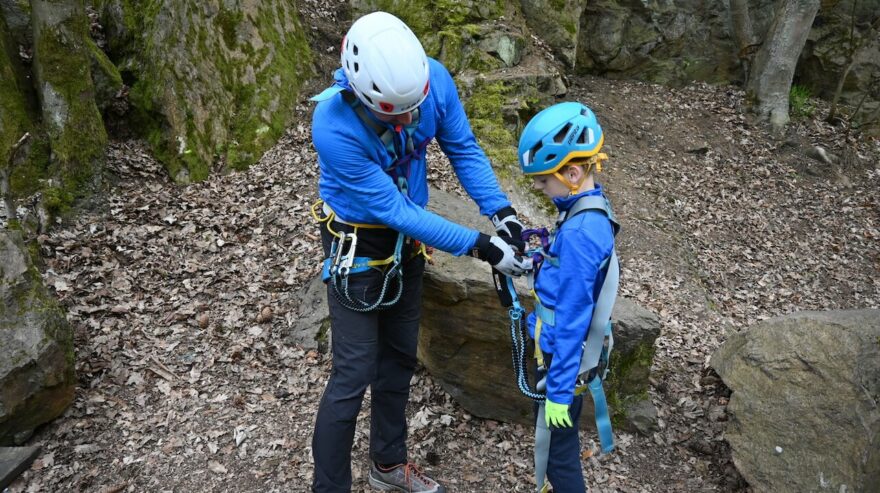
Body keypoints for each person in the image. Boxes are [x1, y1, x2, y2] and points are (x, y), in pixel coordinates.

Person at [308, 11, 532, 493]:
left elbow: (464, 148)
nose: (410, 120)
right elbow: (396, 210)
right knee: (353, 374)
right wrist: (482, 246)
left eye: (414, 107)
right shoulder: (333, 127)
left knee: (398, 359)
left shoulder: (431, 81)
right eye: (395, 114)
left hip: (407, 248)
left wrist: (502, 213)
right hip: (359, 249)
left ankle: (387, 465)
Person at [515, 101, 619, 493]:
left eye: (544, 181)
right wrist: (545, 251)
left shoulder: (578, 234)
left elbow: (574, 316)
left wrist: (558, 391)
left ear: (573, 173)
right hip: (566, 357)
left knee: (559, 454)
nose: (541, 188)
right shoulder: (589, 212)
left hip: (561, 362)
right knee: (559, 448)